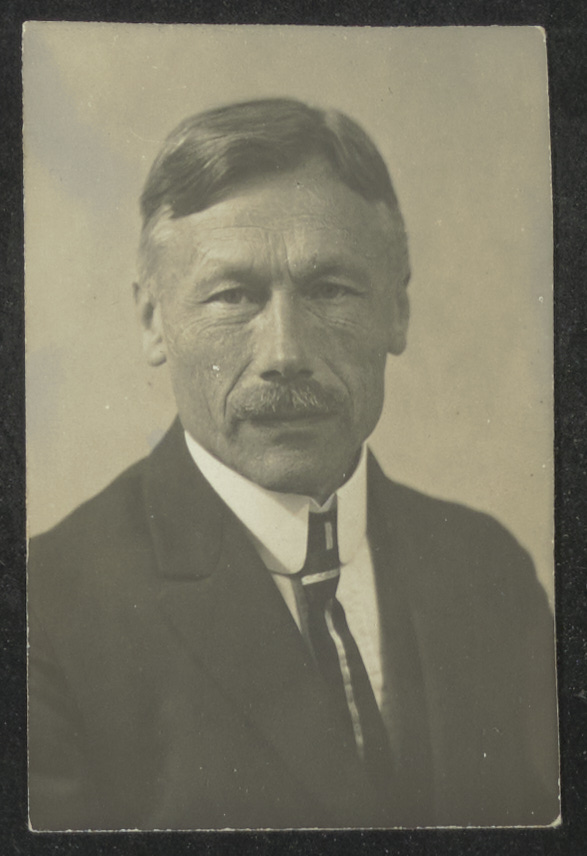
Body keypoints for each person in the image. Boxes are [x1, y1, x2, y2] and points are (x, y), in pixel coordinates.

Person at [28, 98, 559, 831]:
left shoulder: (489, 569)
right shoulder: (46, 612)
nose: (285, 353)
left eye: (329, 289)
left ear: (397, 310)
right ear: (153, 320)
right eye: (232, 296)